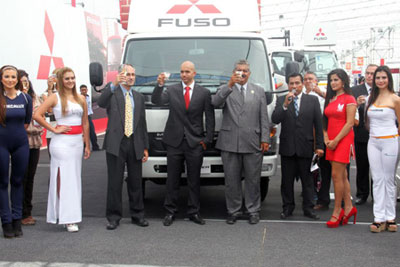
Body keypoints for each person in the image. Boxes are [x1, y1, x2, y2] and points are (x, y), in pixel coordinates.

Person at [152, 61, 215, 226]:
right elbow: (157, 101)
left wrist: (207, 140)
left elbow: (209, 117)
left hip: (195, 143)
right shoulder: (172, 90)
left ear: (194, 73)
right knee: (172, 179)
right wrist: (159, 85)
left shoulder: (204, 93)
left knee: (194, 180)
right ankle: (170, 212)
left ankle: (194, 212)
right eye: (181, 72)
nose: (184, 75)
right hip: (174, 142)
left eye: (187, 72)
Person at [212, 59, 270, 225]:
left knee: (253, 180)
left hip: (253, 141)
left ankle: (253, 210)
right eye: (238, 70)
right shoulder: (225, 89)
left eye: (245, 71)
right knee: (232, 180)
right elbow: (215, 103)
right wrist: (229, 85)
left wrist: (265, 138)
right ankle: (234, 210)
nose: (242, 73)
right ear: (233, 73)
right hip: (230, 142)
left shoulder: (258, 91)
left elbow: (263, 117)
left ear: (249, 74)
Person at [33, 67, 90, 232]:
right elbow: (37, 115)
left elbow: (85, 122)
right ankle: (68, 218)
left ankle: (69, 214)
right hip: (61, 144)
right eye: (67, 79)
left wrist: (87, 143)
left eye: (72, 78)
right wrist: (53, 129)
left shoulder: (80, 98)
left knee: (74, 178)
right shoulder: (54, 97)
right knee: (65, 179)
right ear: (60, 80)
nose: (71, 81)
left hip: (77, 144)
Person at [98, 64, 149, 230]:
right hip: (116, 143)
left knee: (136, 182)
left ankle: (138, 215)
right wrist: (113, 84)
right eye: (127, 74)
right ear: (120, 75)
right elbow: (101, 102)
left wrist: (145, 147)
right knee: (115, 181)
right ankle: (113, 217)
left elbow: (142, 124)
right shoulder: (113, 93)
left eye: (133, 74)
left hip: (135, 143)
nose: (131, 77)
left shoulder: (139, 97)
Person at [272, 73, 323, 220]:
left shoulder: (312, 100)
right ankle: (287, 207)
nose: (294, 86)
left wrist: (319, 146)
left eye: (297, 83)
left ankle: (309, 208)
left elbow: (318, 125)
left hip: (306, 147)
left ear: (302, 84)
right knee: (286, 182)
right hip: (288, 147)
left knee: (308, 182)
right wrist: (285, 105)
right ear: (288, 85)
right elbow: (275, 119)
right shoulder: (282, 99)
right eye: (291, 83)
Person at [365, 65, 400, 233]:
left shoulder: (395, 99)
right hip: (373, 142)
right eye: (377, 77)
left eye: (383, 77)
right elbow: (367, 122)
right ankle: (378, 217)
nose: (380, 80)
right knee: (377, 179)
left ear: (389, 79)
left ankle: (390, 217)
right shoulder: (369, 99)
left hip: (390, 141)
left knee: (388, 179)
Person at [0, 65, 32, 238]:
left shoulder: (26, 98)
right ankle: (6, 222)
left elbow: (26, 122)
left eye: (13, 77)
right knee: (3, 182)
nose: (11, 80)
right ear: (1, 79)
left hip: (21, 144)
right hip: (1, 145)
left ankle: (17, 219)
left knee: (18, 181)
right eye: (7, 76)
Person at [323, 69, 357, 228]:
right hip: (331, 140)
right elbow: (324, 121)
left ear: (344, 81)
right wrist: (326, 139)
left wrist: (336, 140)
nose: (333, 83)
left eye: (336, 80)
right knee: (342, 175)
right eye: (331, 80)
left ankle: (338, 211)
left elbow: (350, 123)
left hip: (343, 139)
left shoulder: (349, 98)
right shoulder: (330, 99)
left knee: (336, 176)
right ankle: (349, 207)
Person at [303, 72, 331, 211]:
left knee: (323, 170)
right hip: (305, 138)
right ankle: (309, 193)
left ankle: (323, 198)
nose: (308, 81)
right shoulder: (300, 94)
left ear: (317, 81)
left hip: (322, 136)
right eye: (306, 79)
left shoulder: (323, 95)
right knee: (309, 170)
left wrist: (319, 92)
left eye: (311, 79)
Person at [19, 70, 43, 226]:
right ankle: (19, 212)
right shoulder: (13, 99)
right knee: (20, 178)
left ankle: (27, 211)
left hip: (35, 142)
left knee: (30, 178)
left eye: (26, 81)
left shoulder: (36, 98)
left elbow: (42, 117)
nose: (24, 84)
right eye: (21, 81)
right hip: (20, 142)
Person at [351, 64, 378, 205]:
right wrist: (356, 103)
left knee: (377, 167)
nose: (369, 76)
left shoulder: (383, 91)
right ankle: (362, 194)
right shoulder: (355, 90)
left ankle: (377, 194)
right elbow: (348, 110)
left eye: (373, 74)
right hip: (361, 133)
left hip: (379, 134)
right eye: (367, 73)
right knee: (362, 166)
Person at [41, 69, 60, 157]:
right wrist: (50, 90)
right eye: (56, 76)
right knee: (53, 155)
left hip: (68, 125)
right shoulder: (45, 93)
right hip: (52, 123)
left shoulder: (69, 93)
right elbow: (50, 110)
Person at [80, 84, 101, 151]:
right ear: (80, 91)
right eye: (82, 90)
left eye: (85, 90)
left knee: (92, 132)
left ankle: (95, 147)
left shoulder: (88, 97)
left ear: (87, 90)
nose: (84, 91)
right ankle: (84, 147)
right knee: (84, 133)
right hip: (82, 117)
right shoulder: (79, 98)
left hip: (88, 116)